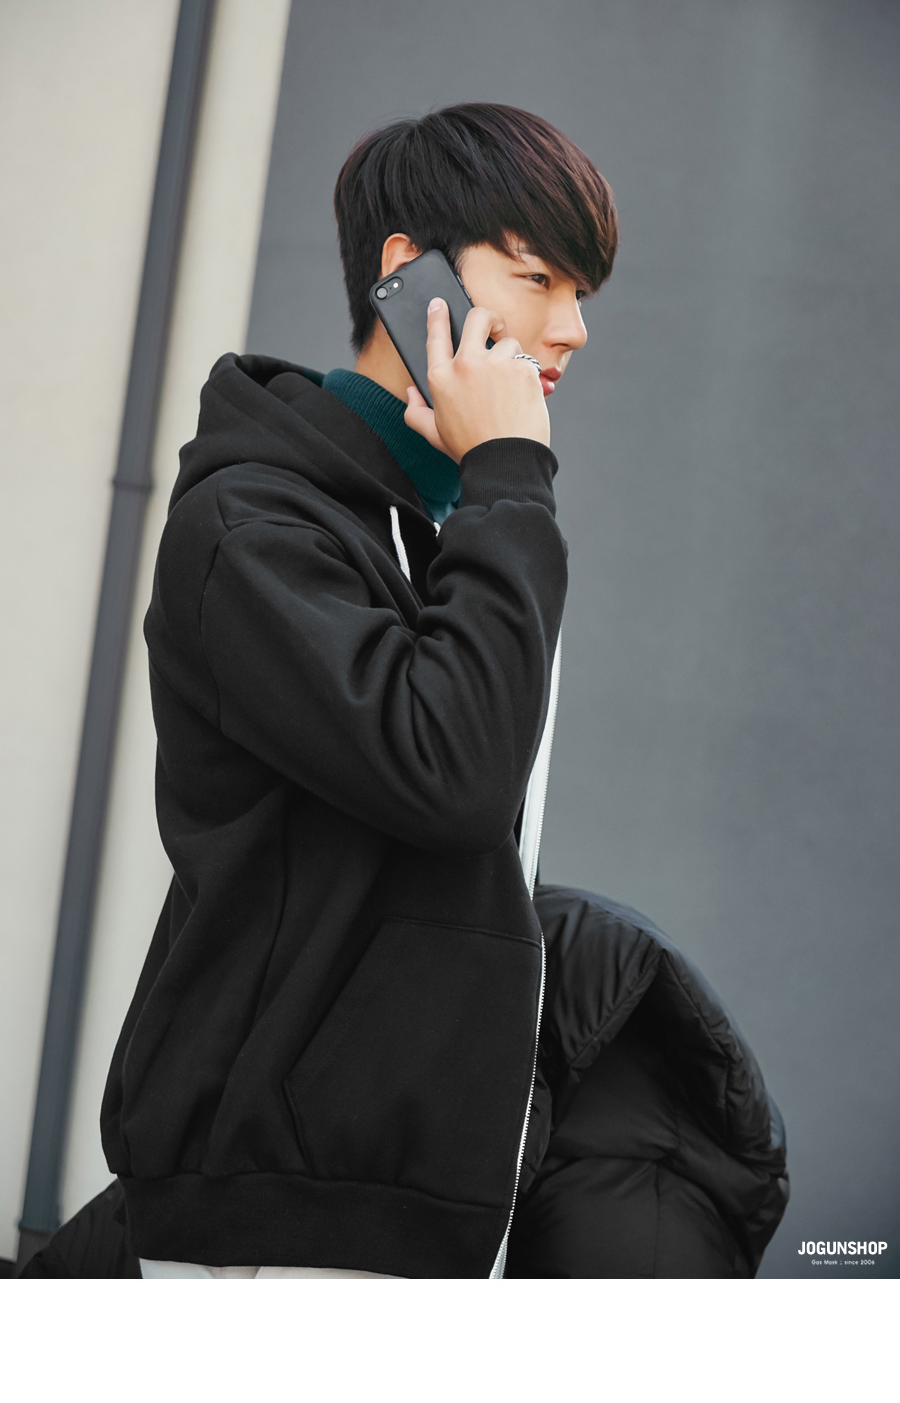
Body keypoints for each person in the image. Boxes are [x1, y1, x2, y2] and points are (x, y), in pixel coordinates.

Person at [95, 101, 788, 1281]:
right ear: (407, 272)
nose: (573, 330)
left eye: (582, 292)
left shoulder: (448, 526)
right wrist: (510, 472)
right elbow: (450, 772)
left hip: (421, 1203)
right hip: (280, 1222)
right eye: (536, 278)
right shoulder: (256, 525)